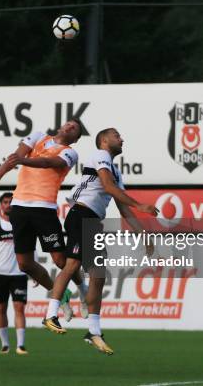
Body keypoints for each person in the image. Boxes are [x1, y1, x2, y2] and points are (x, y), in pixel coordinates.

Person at [41, 128, 158, 355]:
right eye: (117, 135)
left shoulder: (115, 170)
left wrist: (143, 233)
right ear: (104, 141)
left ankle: (93, 332)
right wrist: (141, 205)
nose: (122, 138)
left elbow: (122, 206)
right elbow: (107, 187)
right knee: (72, 264)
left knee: (98, 275)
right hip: (81, 214)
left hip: (93, 221)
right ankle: (50, 314)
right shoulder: (100, 155)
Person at [0, 119, 88, 321]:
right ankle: (61, 295)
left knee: (60, 260)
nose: (69, 126)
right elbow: (16, 156)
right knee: (24, 264)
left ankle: (83, 291)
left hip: (44, 209)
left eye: (74, 127)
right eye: (68, 123)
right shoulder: (38, 136)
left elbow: (48, 163)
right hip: (20, 207)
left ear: (75, 138)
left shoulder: (70, 152)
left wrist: (22, 161)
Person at [0, 192, 29, 355]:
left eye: (11, 202)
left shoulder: (22, 224)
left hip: (19, 273)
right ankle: (5, 344)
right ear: (1, 205)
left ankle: (21, 345)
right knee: (1, 309)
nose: (8, 204)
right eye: (5, 202)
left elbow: (31, 248)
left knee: (19, 307)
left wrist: (34, 271)